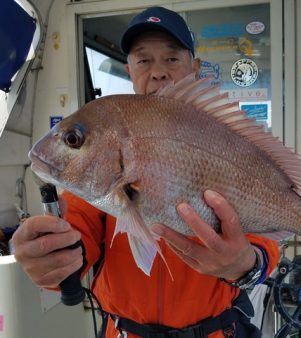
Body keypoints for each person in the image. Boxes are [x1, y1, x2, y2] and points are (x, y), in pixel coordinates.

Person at [12, 6, 280, 338]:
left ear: (194, 68)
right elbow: (78, 231)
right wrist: (52, 257)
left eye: (171, 59)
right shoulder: (109, 157)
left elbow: (263, 244)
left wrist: (247, 265)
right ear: (129, 70)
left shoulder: (222, 134)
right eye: (144, 60)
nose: (158, 73)